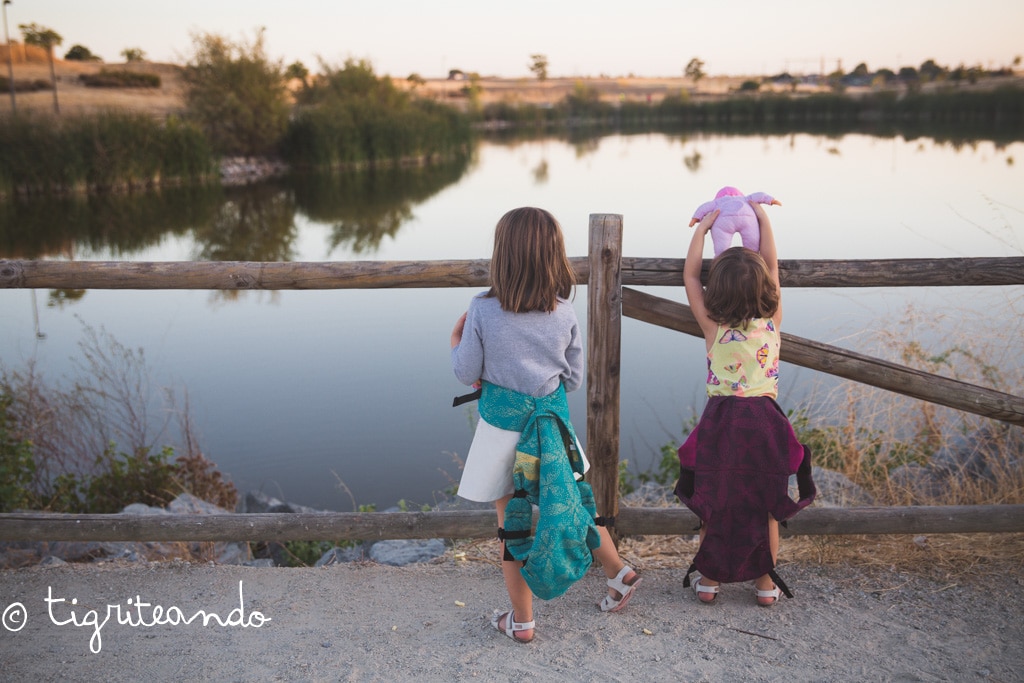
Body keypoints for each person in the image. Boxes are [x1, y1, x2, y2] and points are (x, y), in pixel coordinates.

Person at [450, 206, 640, 643]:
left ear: (503, 256)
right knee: (574, 505)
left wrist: (455, 341)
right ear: (554, 256)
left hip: (502, 435)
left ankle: (522, 621)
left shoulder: (482, 310)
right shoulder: (563, 313)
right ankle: (619, 572)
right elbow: (572, 379)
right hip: (551, 430)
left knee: (511, 526)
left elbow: (466, 372)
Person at [675, 203, 816, 607]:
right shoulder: (772, 320)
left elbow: (688, 276)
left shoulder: (714, 327)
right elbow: (772, 265)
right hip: (765, 425)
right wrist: (763, 220)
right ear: (765, 290)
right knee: (766, 506)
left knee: (711, 501)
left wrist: (703, 230)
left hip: (721, 424)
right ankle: (765, 585)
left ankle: (708, 581)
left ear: (716, 290)